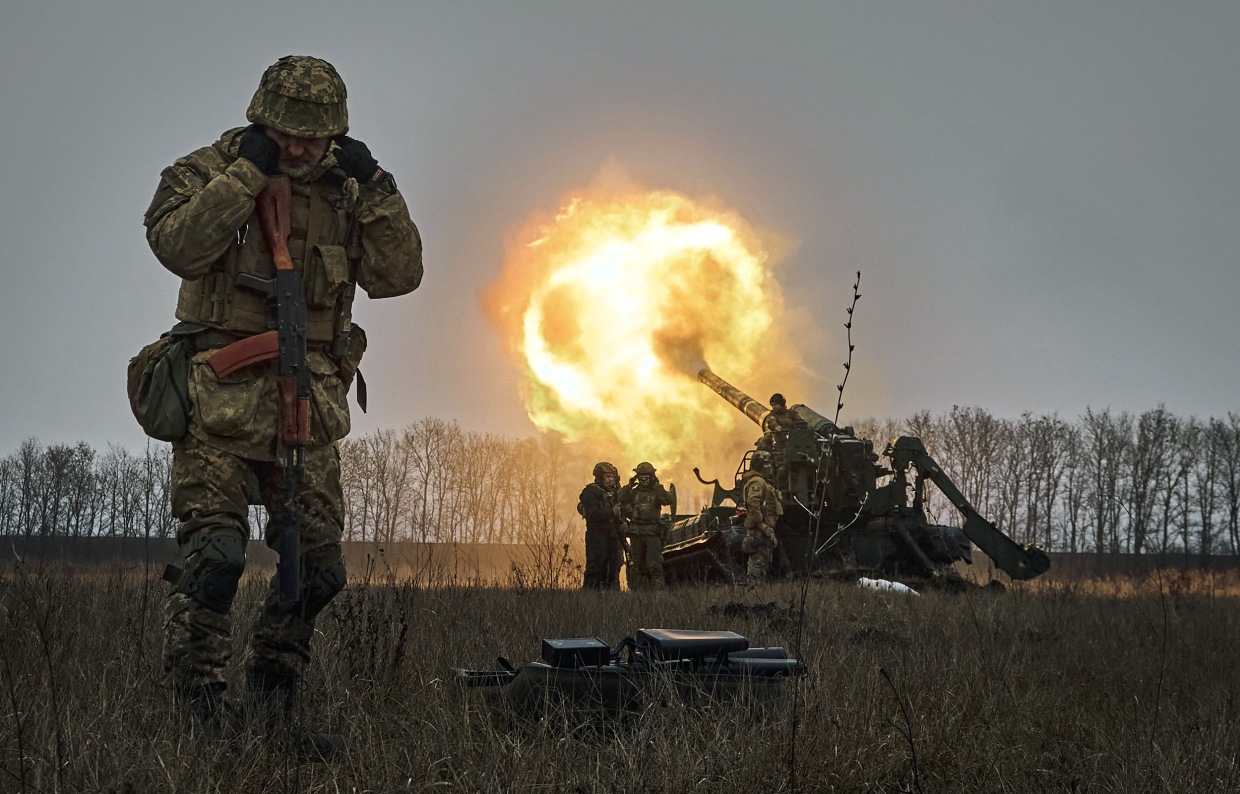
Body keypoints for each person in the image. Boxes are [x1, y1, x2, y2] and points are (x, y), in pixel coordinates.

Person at [144, 55, 423, 747]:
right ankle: (200, 714)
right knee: (215, 560)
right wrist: (246, 174)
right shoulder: (209, 169)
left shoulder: (350, 190)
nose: (299, 148)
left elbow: (399, 275)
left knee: (319, 570)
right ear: (261, 119)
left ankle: (273, 702)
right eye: (287, 134)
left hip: (309, 403)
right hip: (220, 405)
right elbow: (177, 246)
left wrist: (378, 187)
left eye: (314, 137)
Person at [620, 462, 673, 589]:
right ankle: (641, 593)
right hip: (636, 533)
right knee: (638, 567)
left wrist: (658, 487)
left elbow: (669, 500)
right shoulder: (633, 493)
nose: (643, 480)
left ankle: (658, 594)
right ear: (637, 477)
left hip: (653, 534)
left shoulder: (656, 492)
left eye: (646, 476)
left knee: (655, 566)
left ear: (651, 476)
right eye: (641, 476)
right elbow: (619, 499)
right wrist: (629, 486)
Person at [579, 462, 625, 589]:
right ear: (600, 477)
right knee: (595, 568)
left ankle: (610, 595)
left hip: (612, 535)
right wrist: (612, 512)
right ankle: (591, 595)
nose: (611, 480)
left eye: (613, 477)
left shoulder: (614, 493)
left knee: (612, 569)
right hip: (597, 536)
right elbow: (592, 515)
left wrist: (622, 523)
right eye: (608, 476)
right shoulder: (591, 492)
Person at [740, 451, 783, 582]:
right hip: (759, 530)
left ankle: (757, 588)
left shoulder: (763, 482)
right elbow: (753, 503)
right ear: (759, 465)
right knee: (758, 560)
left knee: (764, 559)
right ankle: (754, 589)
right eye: (766, 463)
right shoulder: (757, 481)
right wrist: (762, 525)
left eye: (769, 463)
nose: (769, 466)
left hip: (764, 528)